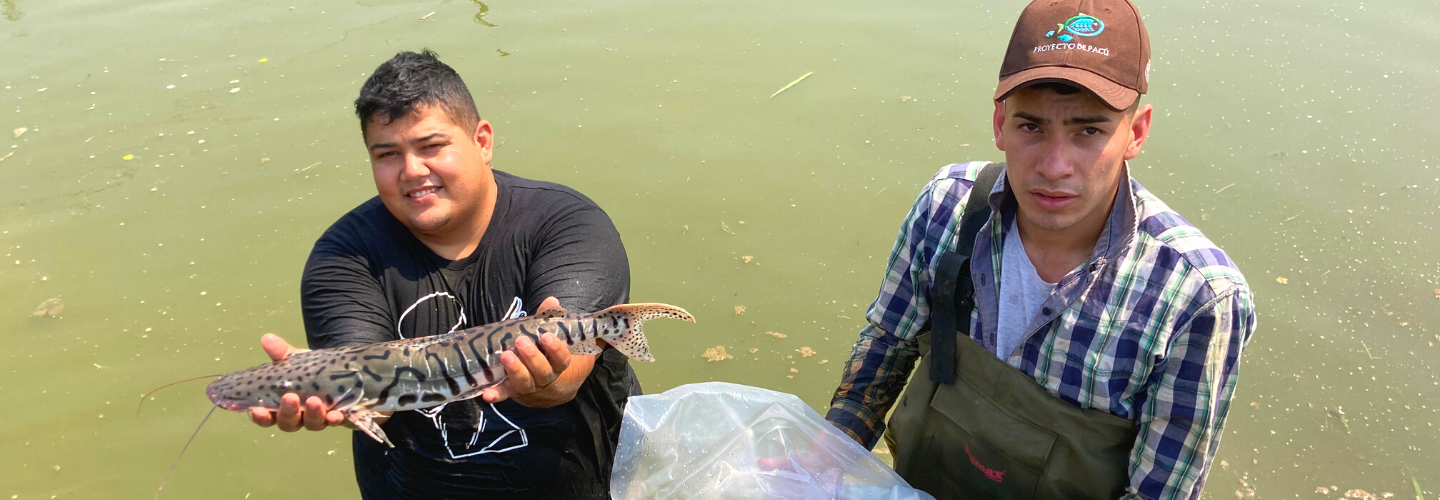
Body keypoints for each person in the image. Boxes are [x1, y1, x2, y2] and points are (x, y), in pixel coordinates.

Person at [824, 1, 1257, 499]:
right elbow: (885, 350)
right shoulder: (948, 207)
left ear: (1136, 132)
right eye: (1031, 127)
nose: (1054, 166)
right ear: (999, 122)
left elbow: (1157, 491)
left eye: (1088, 131)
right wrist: (820, 463)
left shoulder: (1198, 298)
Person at [247, 49, 638, 499]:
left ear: (483, 141)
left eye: (431, 146)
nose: (412, 171)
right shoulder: (343, 257)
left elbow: (568, 374)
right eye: (388, 154)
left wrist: (547, 377)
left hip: (589, 483)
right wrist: (325, 394)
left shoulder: (566, 223)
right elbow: (367, 389)